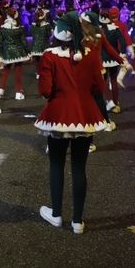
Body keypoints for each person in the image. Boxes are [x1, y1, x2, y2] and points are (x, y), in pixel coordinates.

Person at [35, 17, 110, 234]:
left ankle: (57, 214)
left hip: (58, 114)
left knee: (56, 165)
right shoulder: (90, 54)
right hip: (85, 116)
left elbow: (45, 90)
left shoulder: (50, 56)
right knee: (79, 167)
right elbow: (98, 87)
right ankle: (78, 221)